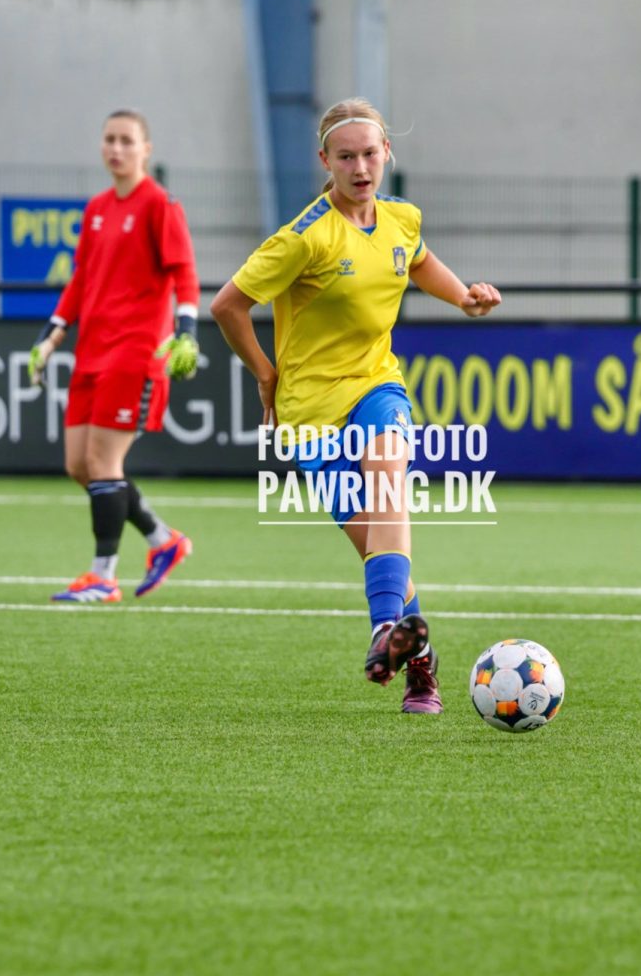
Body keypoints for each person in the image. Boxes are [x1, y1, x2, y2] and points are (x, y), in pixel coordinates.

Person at [210, 96, 501, 713]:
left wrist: (464, 298)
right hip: (310, 411)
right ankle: (420, 662)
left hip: (376, 384)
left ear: (387, 152)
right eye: (346, 157)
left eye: (370, 153)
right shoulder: (304, 237)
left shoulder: (402, 218)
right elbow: (227, 306)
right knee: (376, 545)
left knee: (389, 483)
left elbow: (419, 262)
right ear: (326, 161)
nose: (360, 167)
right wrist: (265, 374)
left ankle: (383, 630)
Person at [27, 109, 199, 603]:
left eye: (127, 140)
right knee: (79, 465)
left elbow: (185, 274)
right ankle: (163, 540)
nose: (116, 148)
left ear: (146, 149)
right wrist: (52, 335)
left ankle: (103, 576)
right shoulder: (97, 207)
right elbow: (82, 279)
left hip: (135, 351)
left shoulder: (160, 204)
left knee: (103, 462)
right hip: (91, 352)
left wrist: (186, 332)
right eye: (110, 139)